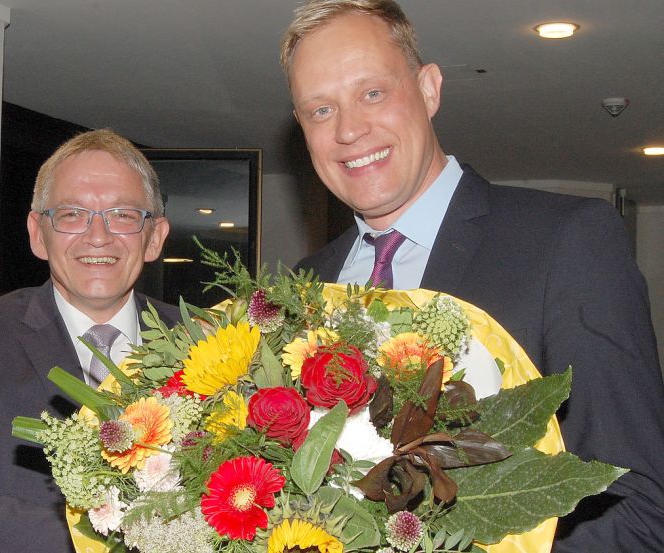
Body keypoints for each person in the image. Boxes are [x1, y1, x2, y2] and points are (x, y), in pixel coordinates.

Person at [281, 1, 664, 550]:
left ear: (429, 89)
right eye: (319, 110)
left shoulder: (567, 241)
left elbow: (635, 505)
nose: (348, 130)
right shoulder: (305, 285)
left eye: (372, 93)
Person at [0, 129, 179, 553]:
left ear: (154, 237)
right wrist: (103, 540)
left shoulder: (203, 343)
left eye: (123, 215)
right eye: (72, 215)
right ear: (37, 234)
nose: (98, 236)